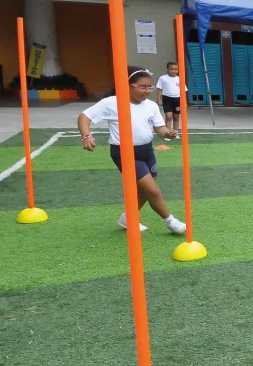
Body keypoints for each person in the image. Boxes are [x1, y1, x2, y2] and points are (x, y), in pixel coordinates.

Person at [77, 70, 187, 235]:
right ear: (129, 86)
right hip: (124, 153)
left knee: (144, 190)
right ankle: (170, 221)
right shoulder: (113, 103)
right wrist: (86, 136)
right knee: (153, 190)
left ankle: (128, 218)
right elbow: (84, 116)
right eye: (142, 87)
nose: (146, 91)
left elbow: (159, 127)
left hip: (147, 151)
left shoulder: (151, 105)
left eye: (149, 87)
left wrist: (167, 133)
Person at [154, 61, 183, 140]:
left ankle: (176, 132)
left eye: (176, 69)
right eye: (172, 69)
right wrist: (158, 99)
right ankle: (168, 133)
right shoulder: (163, 78)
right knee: (168, 117)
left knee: (176, 117)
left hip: (177, 99)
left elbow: (183, 90)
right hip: (167, 99)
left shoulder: (180, 79)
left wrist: (184, 102)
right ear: (167, 69)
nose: (174, 71)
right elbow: (160, 89)